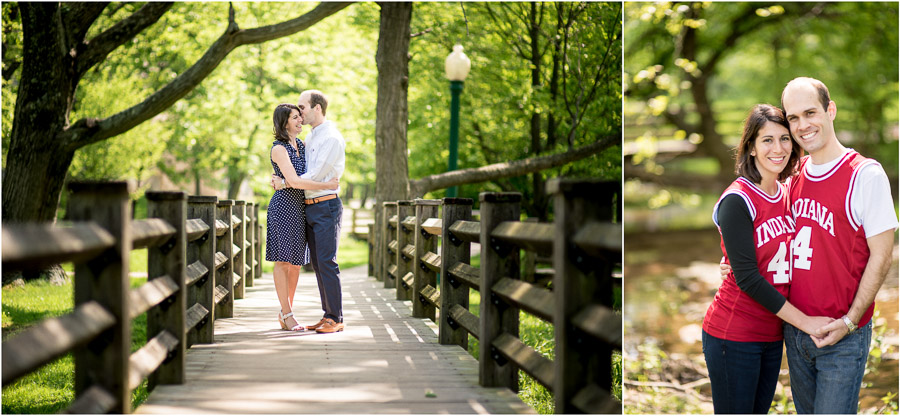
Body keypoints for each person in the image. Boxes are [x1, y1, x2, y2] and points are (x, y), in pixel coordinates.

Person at [703, 104, 834, 414]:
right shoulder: (738, 200)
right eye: (767, 140)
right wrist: (807, 322)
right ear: (750, 147)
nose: (778, 148)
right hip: (734, 334)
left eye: (785, 139)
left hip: (774, 334)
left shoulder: (791, 191)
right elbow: (747, 278)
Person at [778, 77, 897, 413]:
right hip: (797, 329)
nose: (803, 125)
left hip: (841, 334)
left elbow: (882, 255)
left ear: (830, 110)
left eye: (810, 112)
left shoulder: (865, 175)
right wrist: (734, 260)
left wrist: (850, 321)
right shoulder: (793, 174)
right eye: (793, 118)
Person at [273, 90, 346, 334]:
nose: (300, 114)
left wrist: (285, 182)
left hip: (325, 205)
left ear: (317, 108)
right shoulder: (310, 139)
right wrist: (286, 181)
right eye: (296, 112)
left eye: (302, 108)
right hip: (308, 208)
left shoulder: (331, 138)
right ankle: (327, 316)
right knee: (317, 263)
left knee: (326, 261)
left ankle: (335, 318)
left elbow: (314, 176)